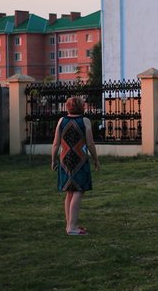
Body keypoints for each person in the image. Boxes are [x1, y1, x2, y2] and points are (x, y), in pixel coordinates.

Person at [51, 97, 100, 236]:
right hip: (80, 160)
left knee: (70, 191)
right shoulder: (85, 121)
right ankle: (72, 228)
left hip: (65, 159)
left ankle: (69, 225)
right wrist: (96, 159)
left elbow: (56, 143)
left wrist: (53, 160)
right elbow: (90, 143)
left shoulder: (61, 120)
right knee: (79, 190)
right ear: (82, 106)